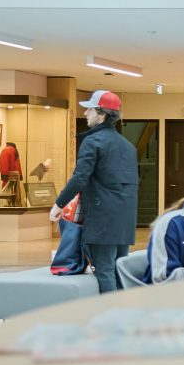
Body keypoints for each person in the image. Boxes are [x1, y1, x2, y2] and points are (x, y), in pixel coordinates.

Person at [50, 90, 139, 294]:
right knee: (119, 268)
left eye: (89, 108)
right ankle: (124, 314)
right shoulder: (128, 147)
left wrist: (59, 204)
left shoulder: (93, 142)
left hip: (102, 218)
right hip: (124, 219)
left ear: (102, 114)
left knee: (104, 270)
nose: (85, 112)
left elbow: (80, 177)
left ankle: (112, 318)